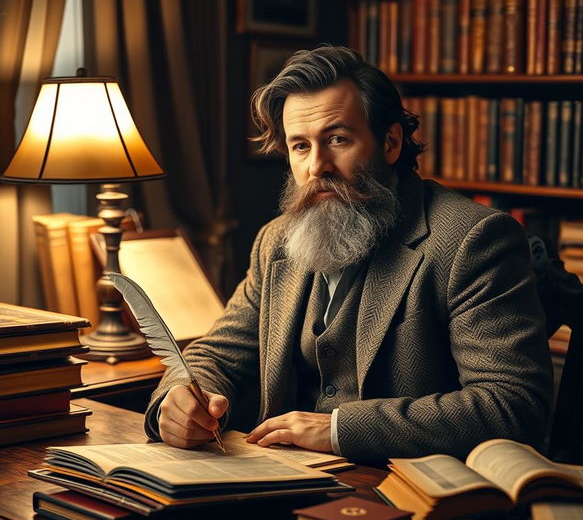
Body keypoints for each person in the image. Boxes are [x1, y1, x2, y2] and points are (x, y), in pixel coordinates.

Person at [144, 45, 553, 464]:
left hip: (408, 492)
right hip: (279, 481)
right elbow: (216, 354)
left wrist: (340, 428)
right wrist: (179, 399)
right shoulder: (276, 242)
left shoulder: (474, 239)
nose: (317, 166)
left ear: (390, 142)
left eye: (337, 139)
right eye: (300, 146)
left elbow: (513, 405)